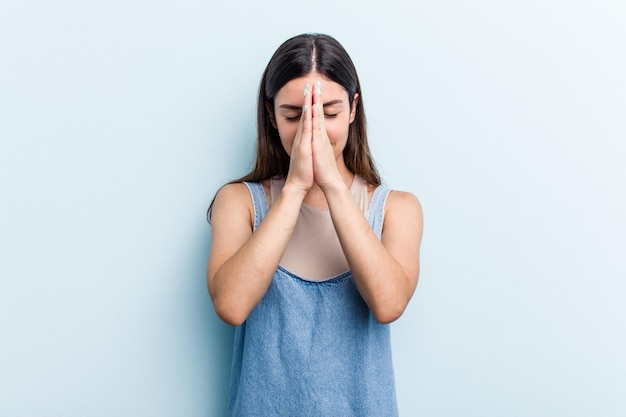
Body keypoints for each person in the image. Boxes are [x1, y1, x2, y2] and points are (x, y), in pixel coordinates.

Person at [207, 33, 423, 416]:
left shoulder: (396, 208)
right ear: (271, 114)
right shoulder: (239, 202)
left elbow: (389, 304)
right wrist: (294, 188)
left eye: (330, 113)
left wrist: (333, 187)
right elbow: (231, 305)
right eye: (294, 115)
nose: (313, 130)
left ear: (354, 109)